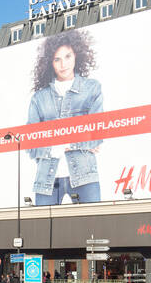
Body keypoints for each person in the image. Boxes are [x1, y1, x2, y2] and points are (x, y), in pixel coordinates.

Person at [25, 30, 105, 206]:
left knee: (93, 228)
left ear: (76, 55)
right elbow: (29, 143)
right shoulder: (39, 98)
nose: (63, 64)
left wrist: (60, 142)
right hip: (46, 181)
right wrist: (72, 142)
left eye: (67, 56)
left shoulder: (92, 88)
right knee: (43, 231)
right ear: (50, 63)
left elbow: (97, 133)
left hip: (85, 177)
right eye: (57, 59)